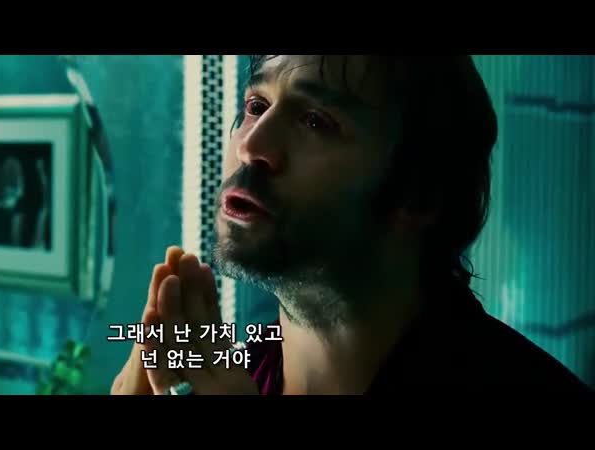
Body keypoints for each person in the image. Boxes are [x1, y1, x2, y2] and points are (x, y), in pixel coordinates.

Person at [111, 55, 592, 395]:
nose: (252, 145)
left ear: (418, 195)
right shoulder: (228, 371)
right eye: (256, 105)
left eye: (315, 121)